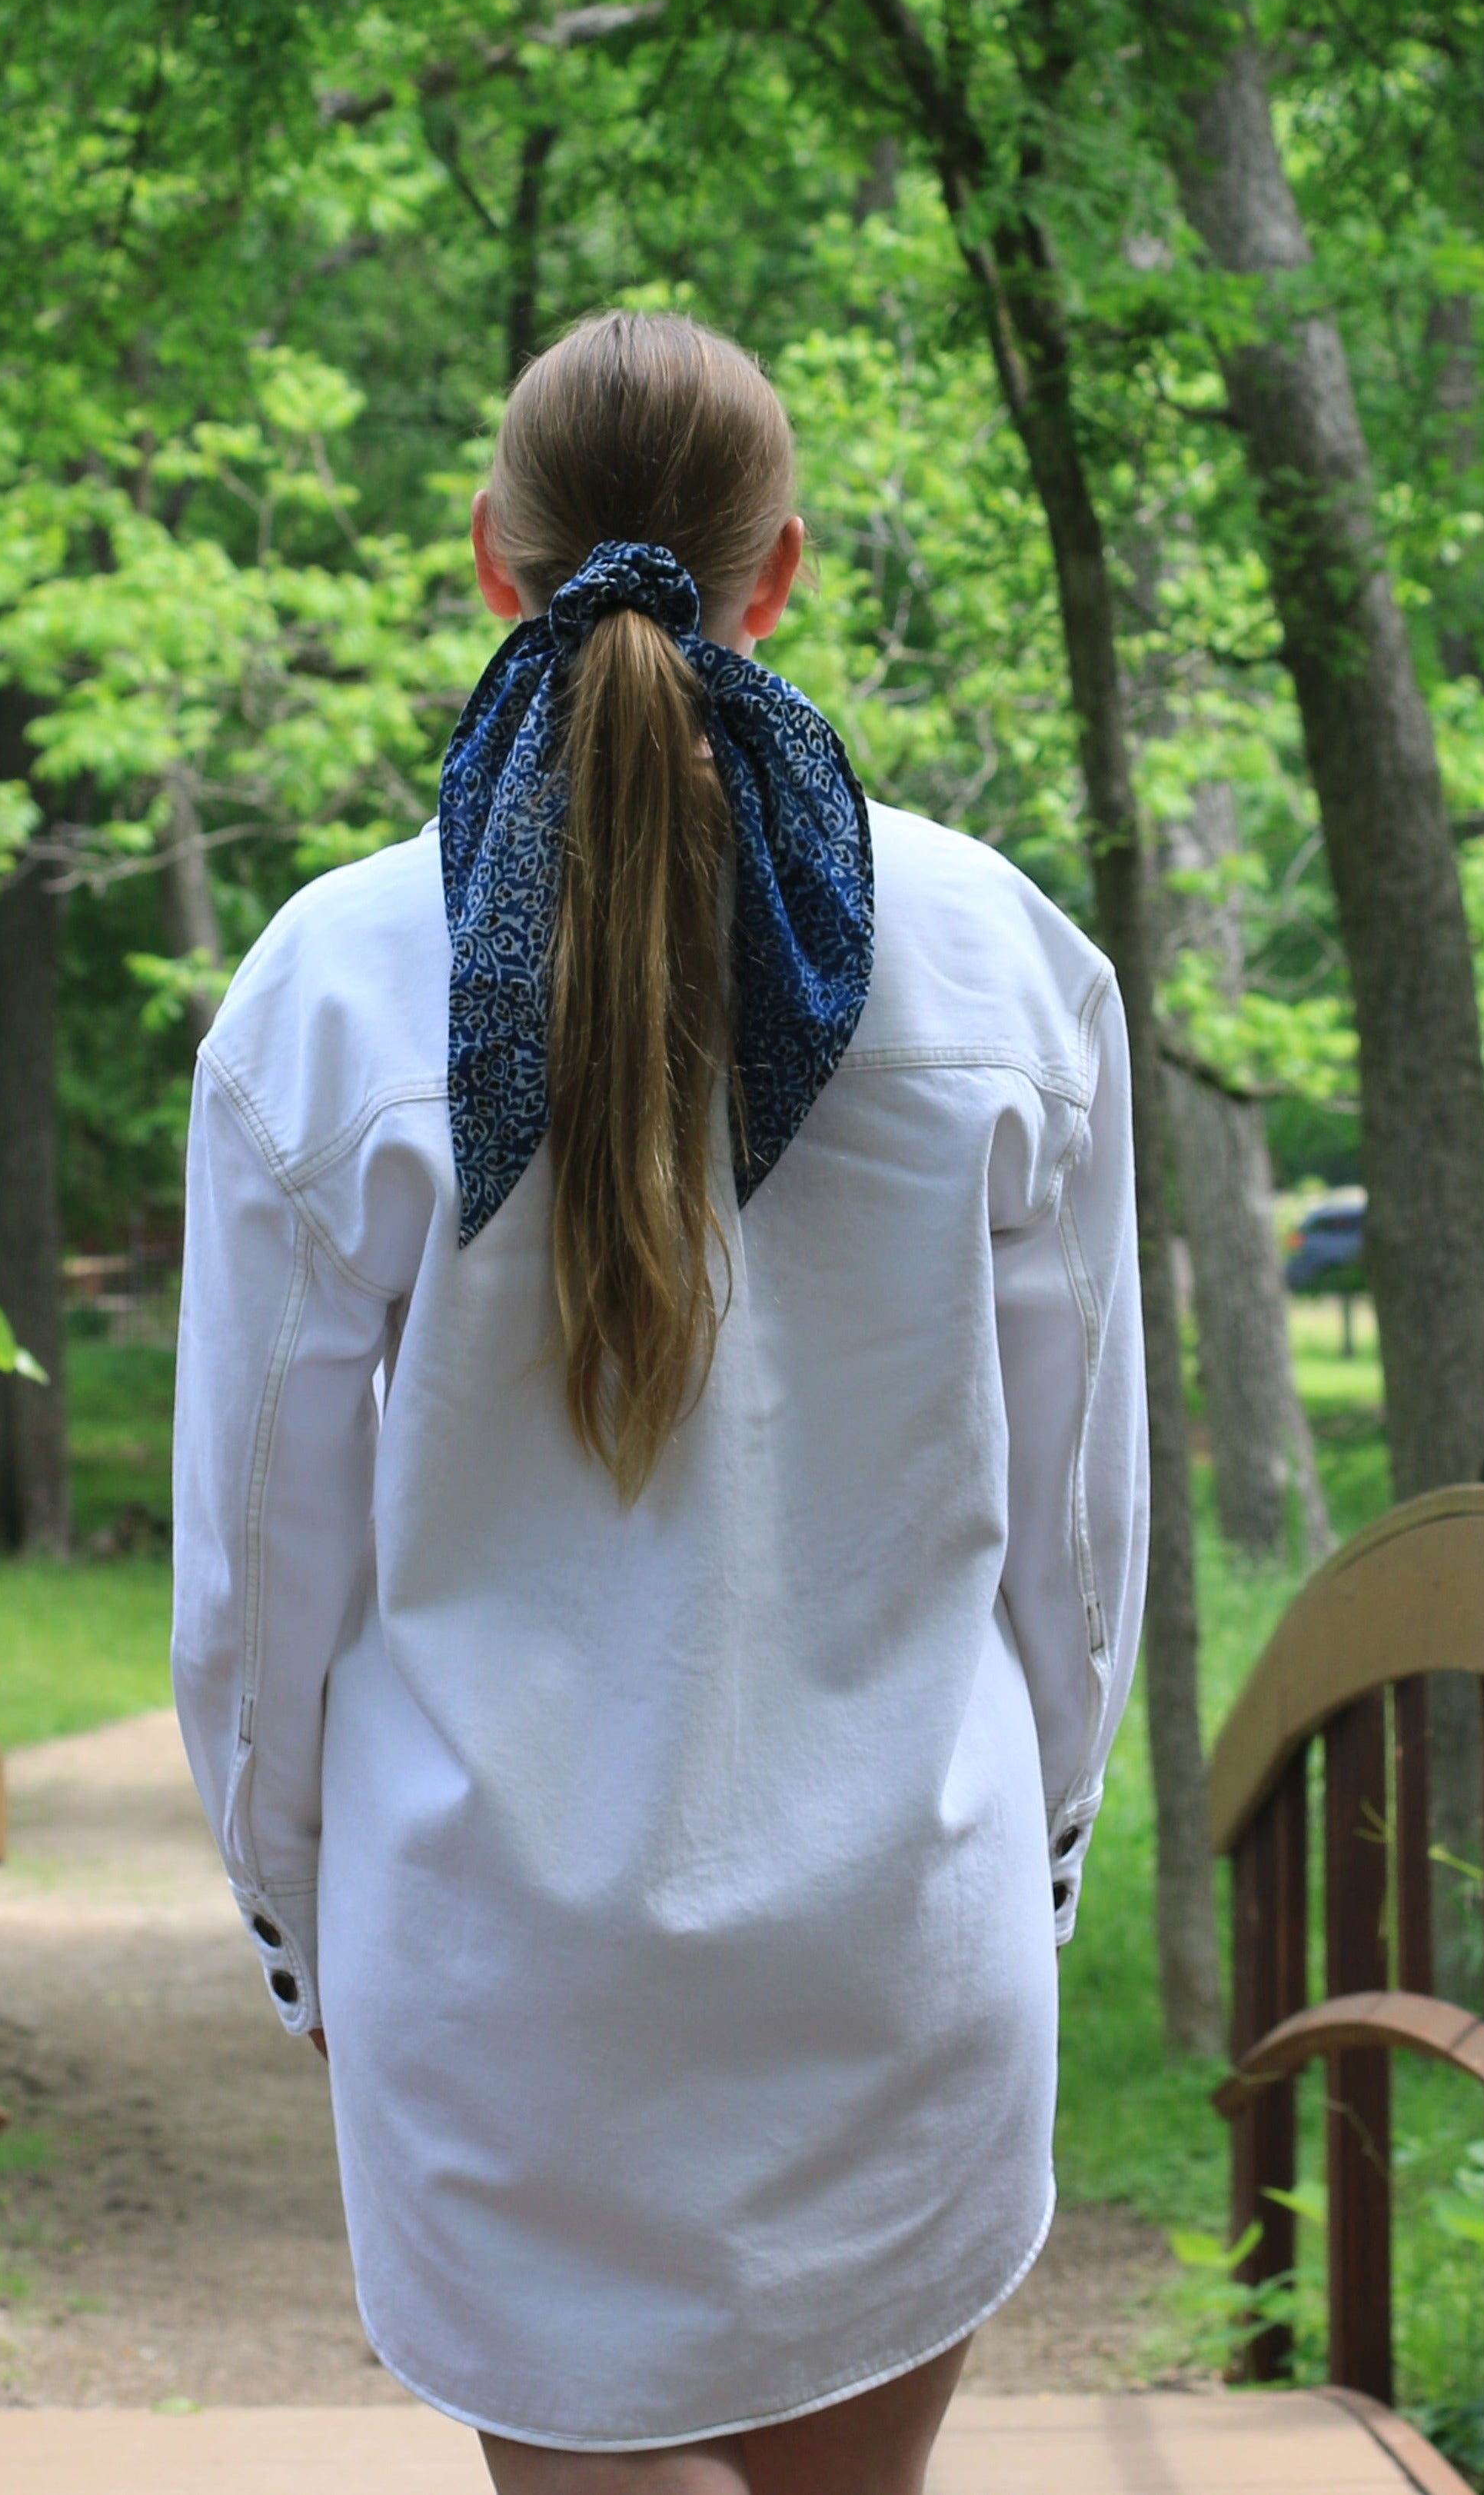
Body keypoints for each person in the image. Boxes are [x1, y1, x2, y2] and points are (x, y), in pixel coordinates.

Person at [172, 311, 1149, 2495]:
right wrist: (1040, 1847)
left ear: (494, 563)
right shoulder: (997, 955)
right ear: (776, 571)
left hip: (505, 1967)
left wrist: (297, 1913)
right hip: (903, 1928)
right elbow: (1079, 1539)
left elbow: (260, 1561)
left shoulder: (332, 986)